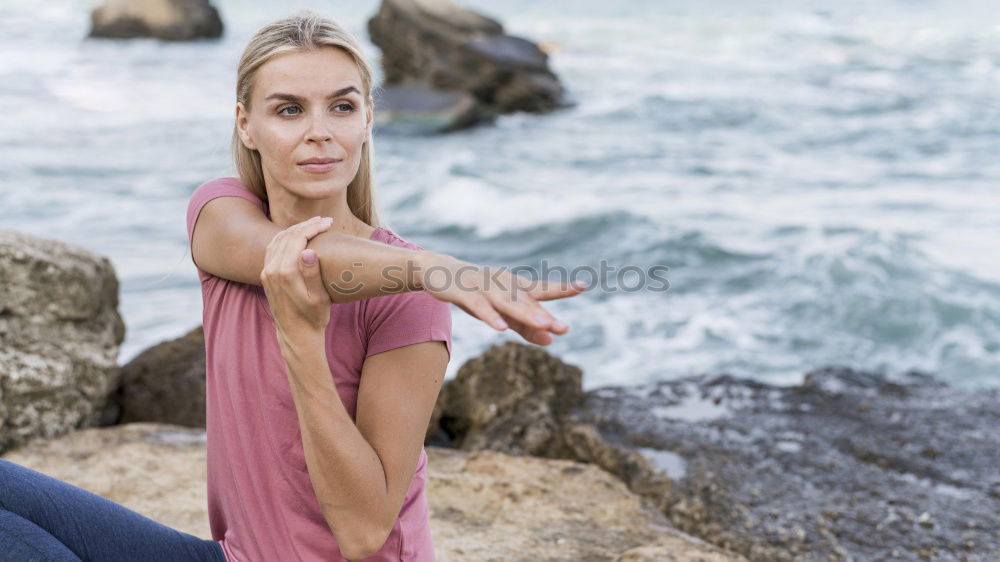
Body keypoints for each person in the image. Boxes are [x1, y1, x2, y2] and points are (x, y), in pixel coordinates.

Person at [0, 9, 583, 562]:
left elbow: (363, 532)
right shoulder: (220, 213)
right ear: (245, 125)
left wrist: (306, 347)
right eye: (288, 111)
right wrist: (437, 267)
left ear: (368, 120)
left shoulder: (407, 301)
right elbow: (299, 257)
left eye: (341, 107)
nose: (320, 133)